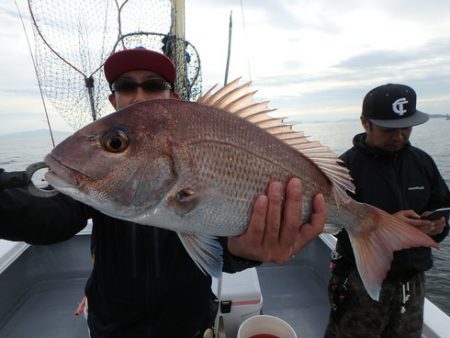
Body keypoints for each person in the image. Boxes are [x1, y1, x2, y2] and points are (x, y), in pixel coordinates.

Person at [0, 48, 327, 338]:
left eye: (153, 84)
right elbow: (49, 218)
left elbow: (222, 248)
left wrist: (246, 252)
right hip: (113, 326)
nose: (139, 94)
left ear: (172, 96)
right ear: (114, 100)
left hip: (189, 324)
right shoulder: (96, 179)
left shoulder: (197, 143)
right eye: (126, 86)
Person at [324, 84, 450, 338]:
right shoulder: (343, 169)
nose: (400, 136)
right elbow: (331, 222)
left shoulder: (422, 161)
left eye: (406, 127)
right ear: (365, 123)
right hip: (359, 281)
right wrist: (384, 225)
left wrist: (438, 226)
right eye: (389, 129)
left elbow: (442, 204)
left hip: (411, 283)